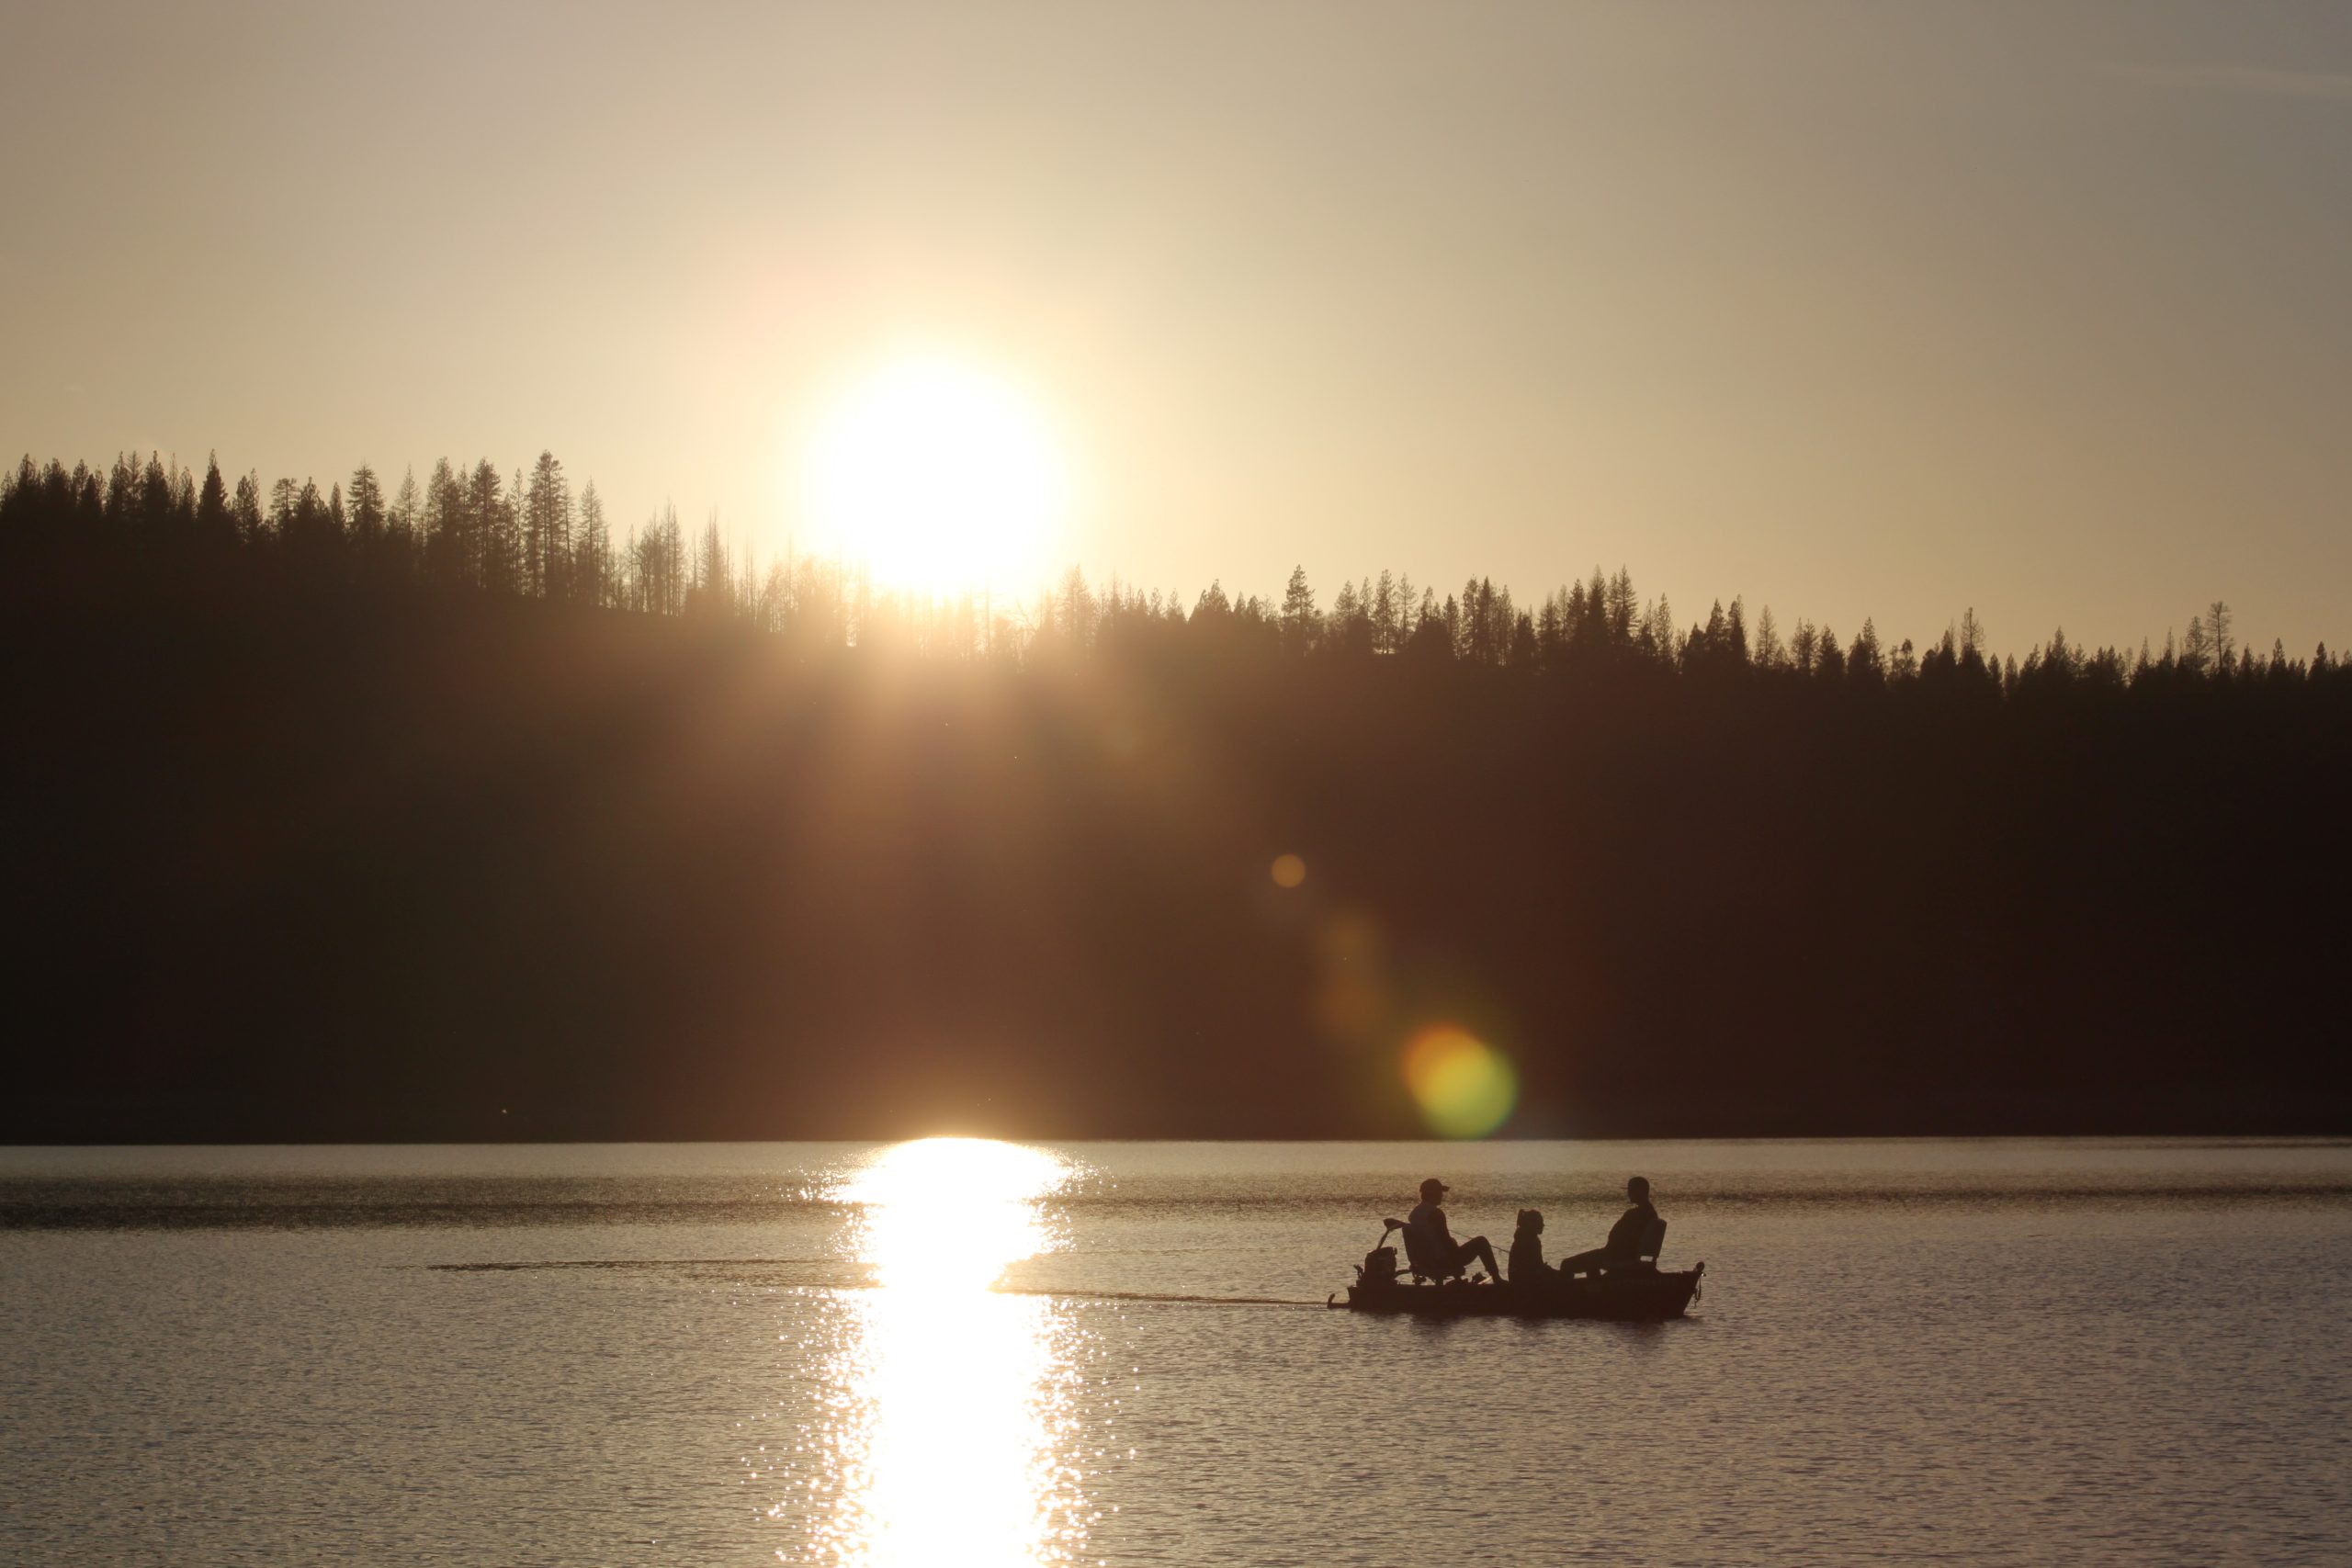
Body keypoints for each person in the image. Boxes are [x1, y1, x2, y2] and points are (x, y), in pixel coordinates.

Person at [1404, 1177, 1506, 1282]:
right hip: (1443, 1261)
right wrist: (1454, 1244)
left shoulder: (1414, 1214)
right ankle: (1497, 1279)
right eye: (1439, 1192)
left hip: (1426, 1261)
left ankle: (1458, 1280)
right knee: (1481, 1241)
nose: (1442, 1196)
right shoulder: (1436, 1214)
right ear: (1432, 1194)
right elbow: (1446, 1243)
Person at [1556, 1175, 1659, 1278]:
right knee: (1592, 1260)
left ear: (1640, 1191)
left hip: (1616, 1256)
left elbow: (1627, 1239)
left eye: (1631, 1190)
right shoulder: (1650, 1213)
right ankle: (1596, 1288)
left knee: (1567, 1264)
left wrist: (1610, 1252)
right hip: (1617, 1254)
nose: (1628, 1193)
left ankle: (1568, 1292)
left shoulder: (1636, 1214)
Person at [1508, 1208, 1555, 1286]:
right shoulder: (1532, 1242)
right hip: (1524, 1281)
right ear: (1531, 1224)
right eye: (1540, 1222)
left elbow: (1536, 1265)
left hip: (1515, 1278)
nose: (1543, 1225)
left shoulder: (1521, 1237)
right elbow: (1536, 1268)